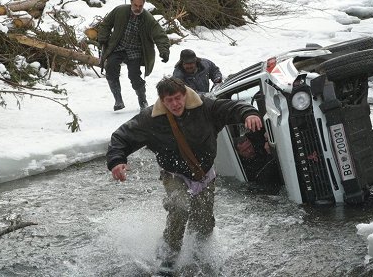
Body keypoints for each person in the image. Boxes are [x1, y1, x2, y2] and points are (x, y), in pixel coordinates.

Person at [106, 77, 262, 271]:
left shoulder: (205, 106)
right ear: (162, 101)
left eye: (178, 98)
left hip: (204, 175)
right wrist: (117, 161)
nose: (175, 104)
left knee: (204, 224)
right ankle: (168, 258)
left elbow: (232, 108)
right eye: (169, 101)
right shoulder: (150, 118)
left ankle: (198, 254)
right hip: (174, 174)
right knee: (180, 206)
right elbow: (121, 137)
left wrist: (249, 113)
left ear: (185, 95)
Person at [97, 0, 170, 111]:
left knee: (134, 76)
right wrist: (103, 38)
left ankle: (142, 100)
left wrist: (164, 50)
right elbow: (106, 24)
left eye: (140, 6)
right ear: (131, 3)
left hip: (135, 50)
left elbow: (160, 34)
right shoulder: (120, 11)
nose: (137, 8)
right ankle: (118, 100)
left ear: (143, 5)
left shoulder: (147, 18)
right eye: (135, 5)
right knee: (110, 68)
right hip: (117, 46)